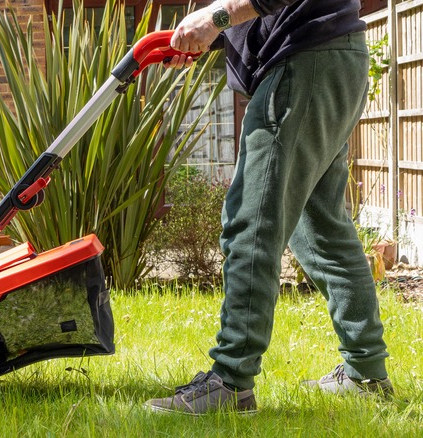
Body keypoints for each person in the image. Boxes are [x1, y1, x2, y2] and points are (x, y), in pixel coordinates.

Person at [145, 0, 393, 415]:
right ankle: (366, 374)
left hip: (305, 60)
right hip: (331, 56)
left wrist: (215, 18)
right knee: (321, 226)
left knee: (251, 221)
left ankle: (231, 382)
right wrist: (213, 33)